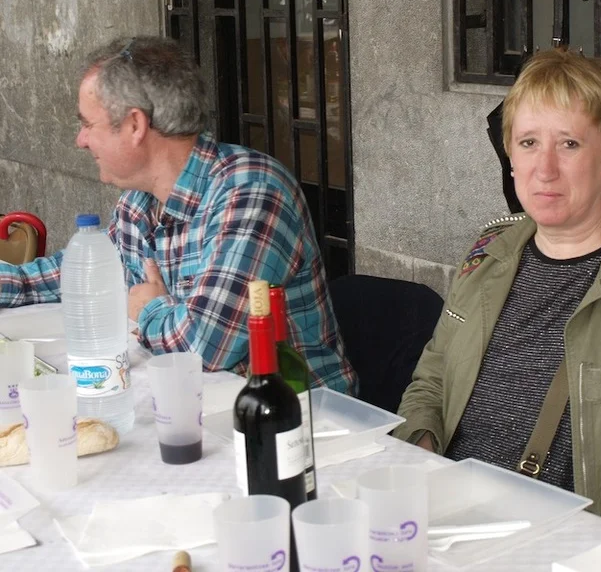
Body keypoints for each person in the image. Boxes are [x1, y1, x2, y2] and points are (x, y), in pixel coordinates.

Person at [394, 47, 601, 528]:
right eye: (529, 142)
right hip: (454, 528)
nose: (545, 168)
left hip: (586, 547)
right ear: (510, 157)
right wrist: (421, 447)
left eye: (569, 144)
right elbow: (433, 378)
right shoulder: (487, 253)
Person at [0, 37, 356, 393]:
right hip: (200, 400)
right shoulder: (138, 201)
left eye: (88, 124)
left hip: (298, 415)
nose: (81, 140)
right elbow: (83, 271)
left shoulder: (251, 191)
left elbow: (205, 346)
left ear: (135, 125)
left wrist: (148, 308)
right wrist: (10, 282)